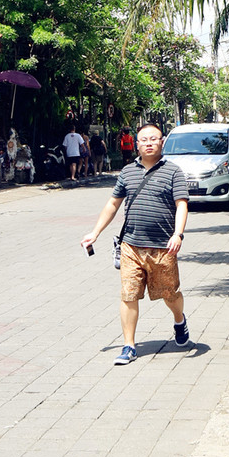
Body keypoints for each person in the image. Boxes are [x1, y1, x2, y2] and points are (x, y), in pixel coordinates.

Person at [81, 122, 191, 364]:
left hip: (163, 247)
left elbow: (181, 204)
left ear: (162, 142)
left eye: (154, 139)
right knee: (128, 295)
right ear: (136, 144)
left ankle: (179, 320)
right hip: (130, 245)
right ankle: (129, 346)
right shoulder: (128, 172)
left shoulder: (173, 171)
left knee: (169, 294)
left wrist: (178, 233)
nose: (149, 143)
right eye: (144, 139)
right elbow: (113, 204)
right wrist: (95, 232)